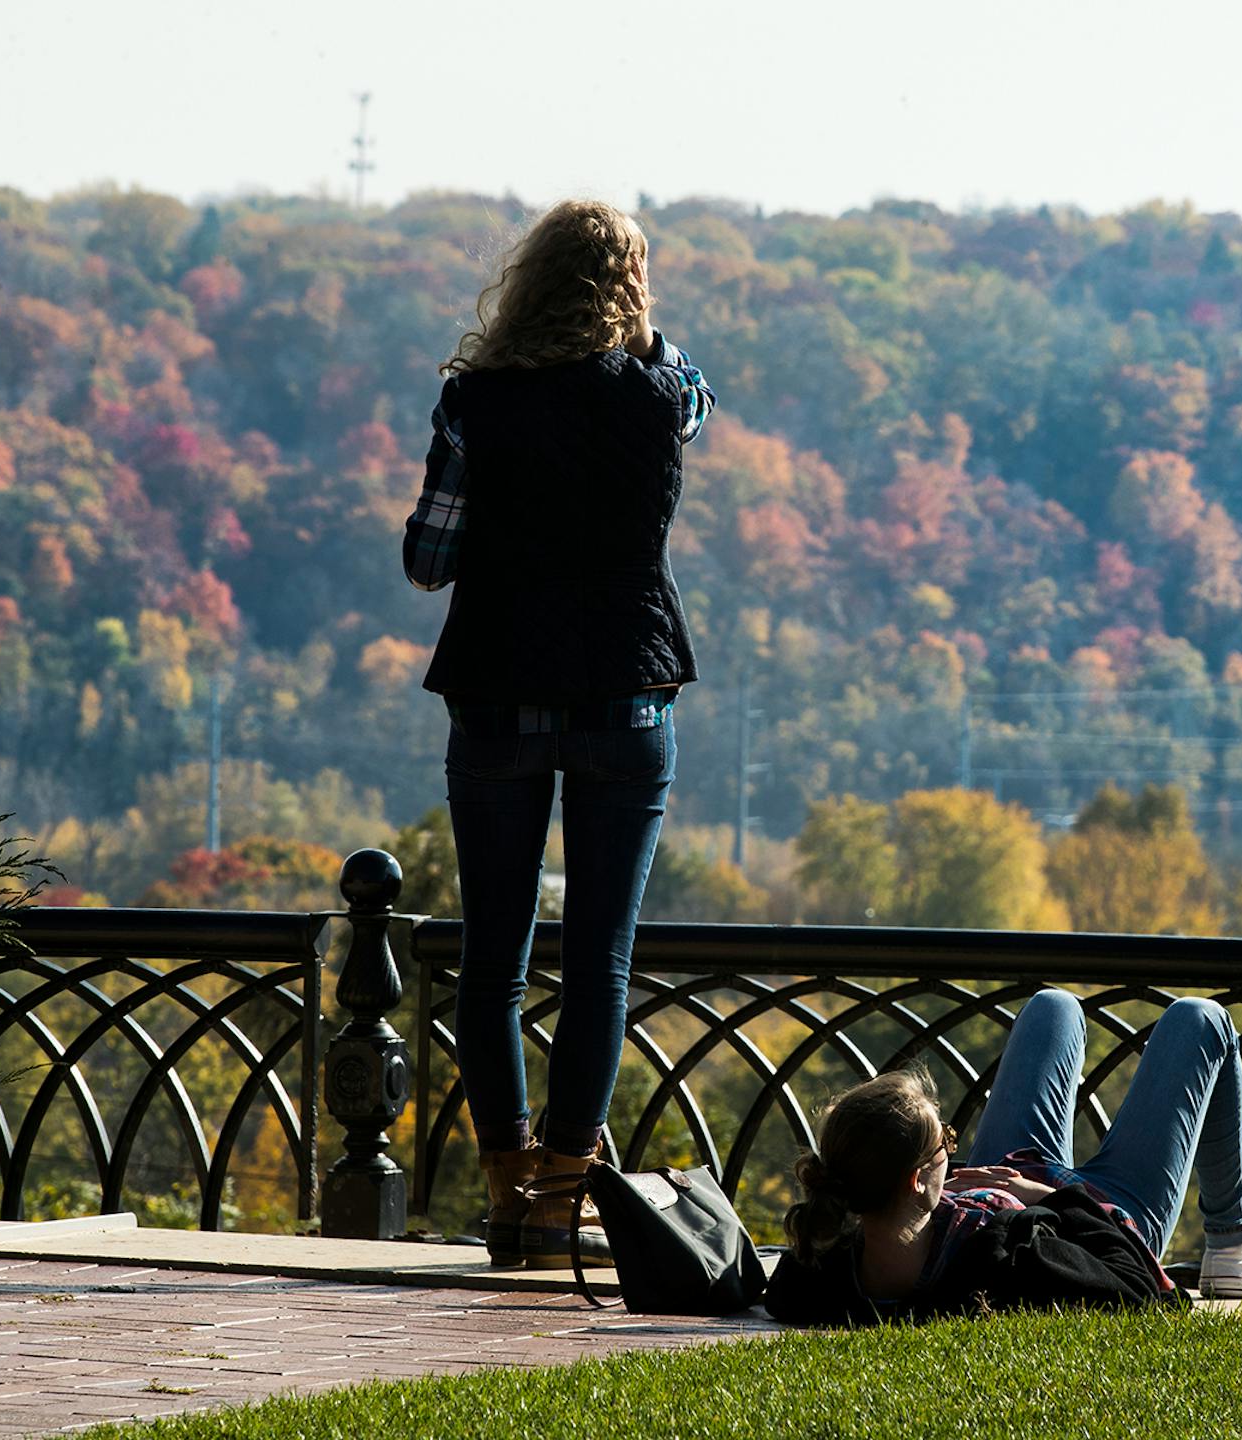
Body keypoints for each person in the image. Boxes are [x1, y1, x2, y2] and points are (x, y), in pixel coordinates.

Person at [401, 198, 716, 1268]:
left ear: (526, 279)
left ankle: (502, 1188)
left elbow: (429, 560)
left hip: (497, 698)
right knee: (599, 967)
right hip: (626, 699)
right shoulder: (661, 396)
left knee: (492, 966)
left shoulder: (473, 404)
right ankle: (562, 1196)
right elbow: (690, 384)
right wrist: (644, 338)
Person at [763, 989, 1242, 1323]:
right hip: (1092, 1211)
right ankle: (1232, 1242)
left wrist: (964, 1185)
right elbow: (1146, 1295)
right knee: (1201, 1019)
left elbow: (789, 1283)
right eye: (947, 1148)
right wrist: (1055, 1197)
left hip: (1012, 1174)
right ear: (915, 1181)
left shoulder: (830, 1262)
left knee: (1052, 1005)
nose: (953, 1158)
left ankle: (1235, 1243)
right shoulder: (1014, 1262)